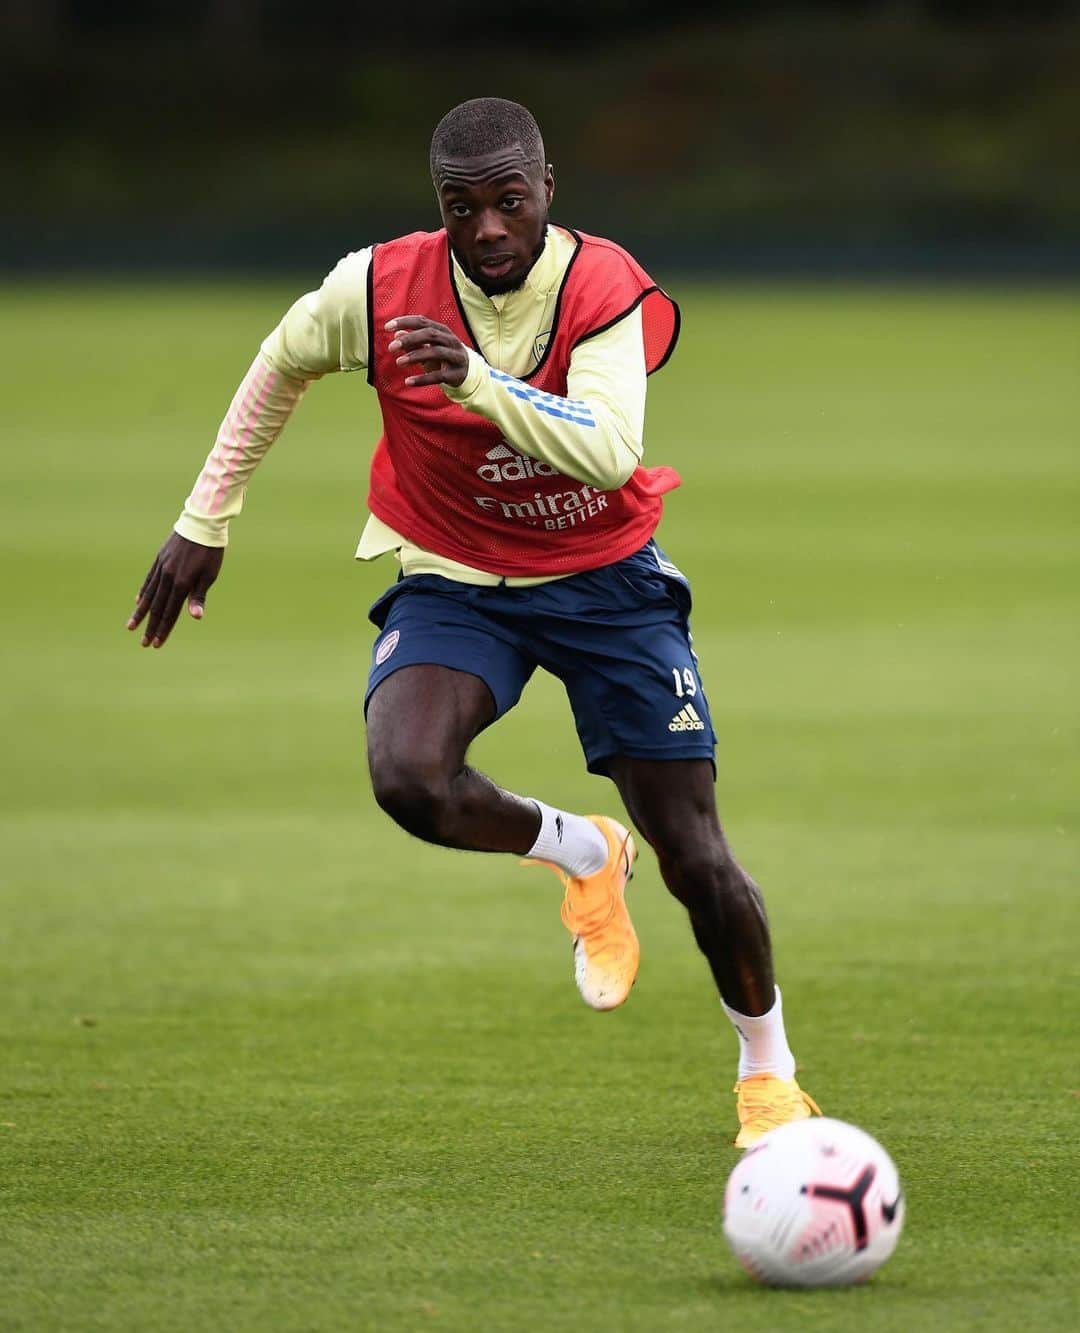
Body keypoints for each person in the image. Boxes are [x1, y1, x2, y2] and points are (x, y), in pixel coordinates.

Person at [127, 97, 819, 1147]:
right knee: (407, 777)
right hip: (455, 574)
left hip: (605, 580)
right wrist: (203, 517)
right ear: (438, 207)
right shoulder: (376, 284)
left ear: (547, 190)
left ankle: (768, 1074)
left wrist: (480, 383)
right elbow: (281, 360)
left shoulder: (603, 286)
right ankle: (582, 851)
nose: (488, 228)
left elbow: (608, 452)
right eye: (462, 206)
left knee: (694, 851)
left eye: (508, 201)